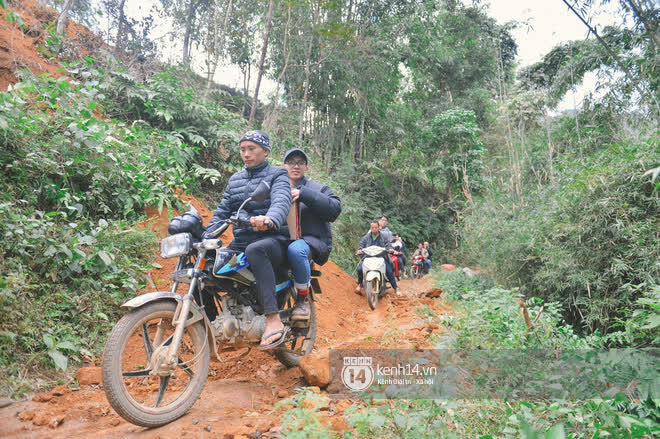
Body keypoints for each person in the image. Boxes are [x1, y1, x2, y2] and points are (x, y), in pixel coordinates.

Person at [204, 130, 292, 350]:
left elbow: (282, 200)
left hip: (273, 238)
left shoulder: (278, 174)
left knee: (256, 250)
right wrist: (206, 235)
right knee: (206, 262)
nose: (246, 153)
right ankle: (210, 325)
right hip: (241, 241)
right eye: (243, 149)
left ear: (265, 151)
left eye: (251, 148)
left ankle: (273, 318)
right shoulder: (235, 180)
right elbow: (223, 211)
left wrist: (270, 218)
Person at [282, 147, 342, 320]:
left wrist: (303, 194)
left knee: (296, 250)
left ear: (306, 168)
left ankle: (302, 300)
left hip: (310, 242)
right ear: (283, 166)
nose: (296, 166)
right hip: (279, 240)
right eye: (291, 162)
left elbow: (334, 209)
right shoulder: (277, 188)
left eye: (300, 162)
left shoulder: (319, 188)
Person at [355, 220, 400, 296]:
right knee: (360, 269)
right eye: (372, 228)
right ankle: (360, 285)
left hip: (381, 258)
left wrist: (390, 249)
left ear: (379, 227)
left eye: (376, 227)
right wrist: (359, 250)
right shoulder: (366, 237)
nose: (374, 229)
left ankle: (396, 288)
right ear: (370, 228)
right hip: (368, 257)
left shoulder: (384, 237)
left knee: (389, 270)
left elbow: (388, 245)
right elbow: (361, 244)